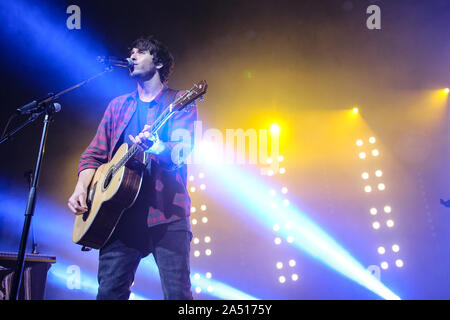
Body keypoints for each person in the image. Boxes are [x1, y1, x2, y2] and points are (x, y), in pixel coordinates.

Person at [67, 35, 197, 300]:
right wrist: (81, 187)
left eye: (140, 52)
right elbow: (93, 155)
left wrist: (155, 146)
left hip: (166, 215)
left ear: (158, 62)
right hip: (118, 218)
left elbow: (180, 153)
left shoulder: (180, 101)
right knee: (109, 294)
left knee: (179, 296)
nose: (132, 56)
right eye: (131, 52)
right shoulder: (118, 106)